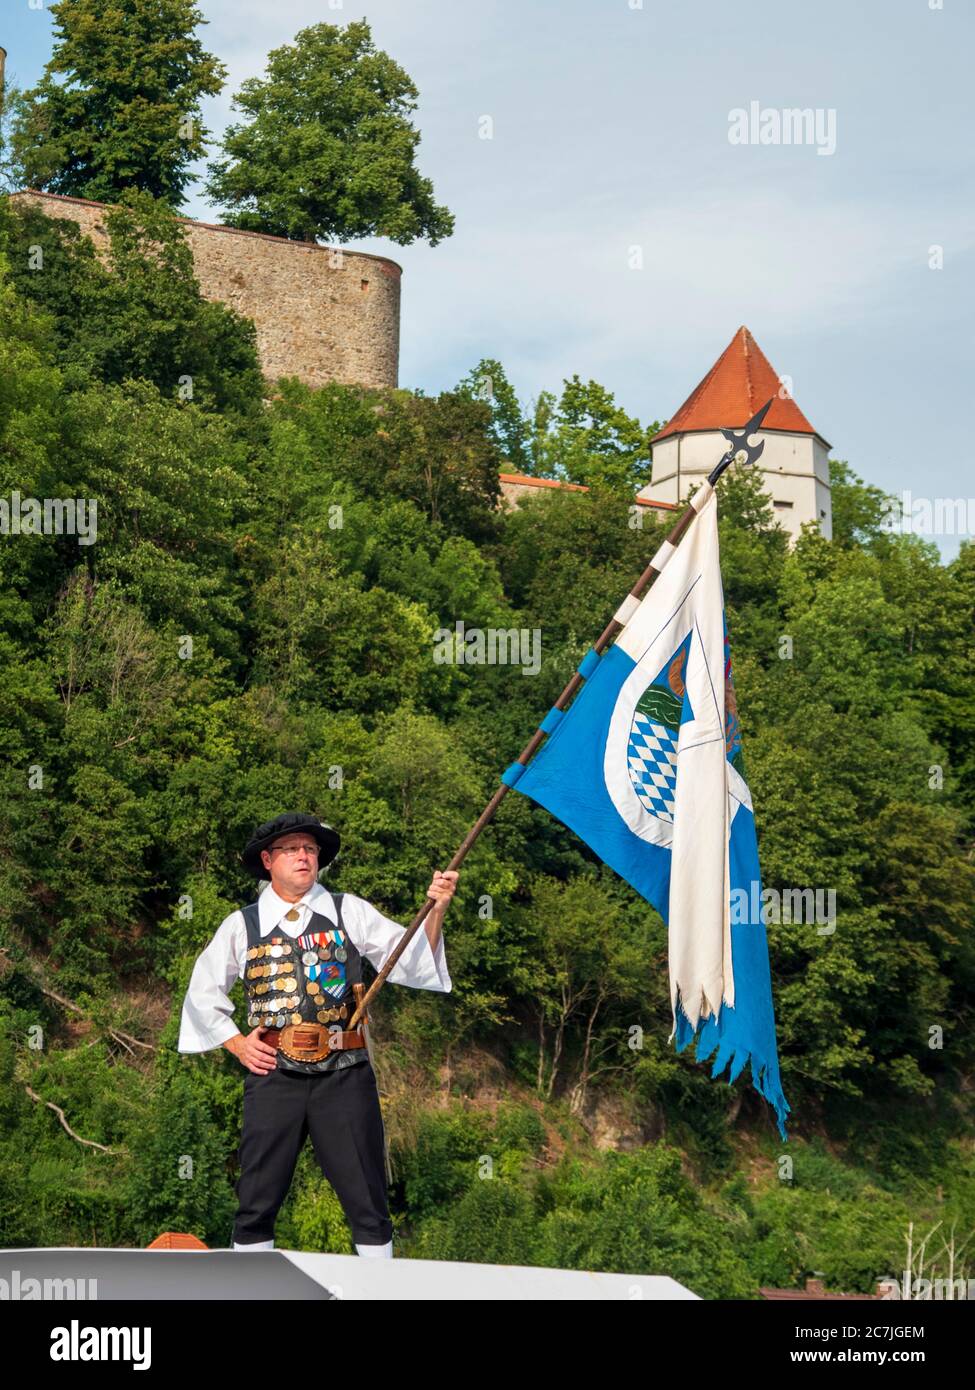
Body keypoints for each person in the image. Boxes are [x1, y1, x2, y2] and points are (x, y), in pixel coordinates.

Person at [177, 811, 456, 1258]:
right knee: (256, 1202)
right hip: (273, 1075)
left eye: (310, 849)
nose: (304, 857)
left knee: (368, 1202)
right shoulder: (242, 924)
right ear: (268, 860)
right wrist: (236, 1043)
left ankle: (377, 1295)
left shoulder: (349, 911)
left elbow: (411, 958)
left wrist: (437, 910)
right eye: (292, 850)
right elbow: (201, 991)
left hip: (344, 1073)